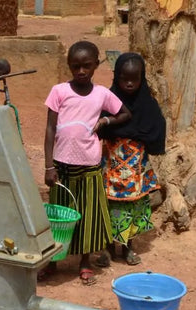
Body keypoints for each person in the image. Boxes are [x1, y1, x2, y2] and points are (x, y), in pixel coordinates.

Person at [43, 41, 131, 285]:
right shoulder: (59, 91)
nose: (81, 71)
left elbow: (125, 113)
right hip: (61, 166)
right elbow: (50, 129)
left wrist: (105, 122)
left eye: (86, 66)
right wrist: (48, 166)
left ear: (95, 65)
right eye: (75, 66)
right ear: (69, 66)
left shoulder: (102, 94)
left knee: (87, 216)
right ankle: (53, 261)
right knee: (58, 217)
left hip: (89, 166)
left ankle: (84, 262)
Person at [97, 53, 166, 266]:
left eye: (134, 79)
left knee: (133, 207)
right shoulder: (109, 101)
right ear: (116, 76)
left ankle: (128, 247)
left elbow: (157, 128)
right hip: (111, 165)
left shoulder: (148, 105)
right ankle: (108, 248)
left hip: (136, 167)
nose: (129, 83)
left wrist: (140, 138)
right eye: (124, 78)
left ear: (141, 78)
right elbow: (98, 126)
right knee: (109, 205)